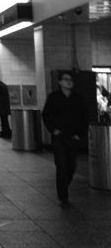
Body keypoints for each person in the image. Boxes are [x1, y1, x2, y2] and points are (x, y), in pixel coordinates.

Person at [42, 73, 89, 208]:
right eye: (66, 80)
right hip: (59, 138)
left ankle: (63, 186)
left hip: (73, 138)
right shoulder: (54, 98)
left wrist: (79, 134)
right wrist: (53, 129)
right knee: (61, 166)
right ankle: (63, 196)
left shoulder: (78, 99)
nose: (69, 82)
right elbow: (46, 115)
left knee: (71, 166)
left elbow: (85, 116)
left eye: (70, 80)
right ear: (60, 82)